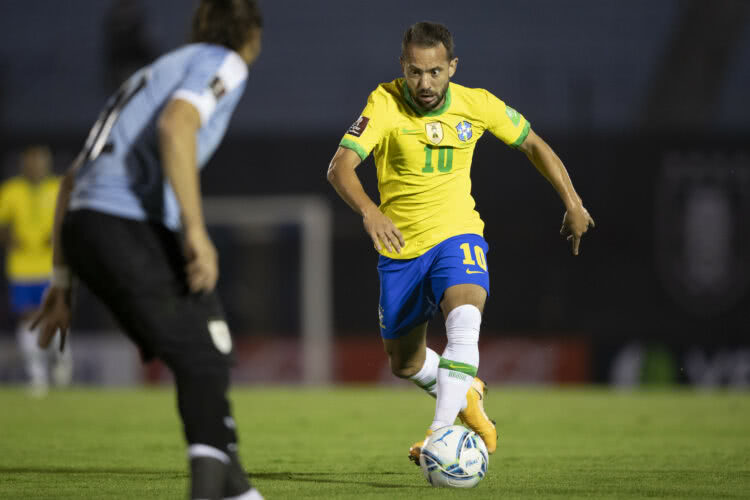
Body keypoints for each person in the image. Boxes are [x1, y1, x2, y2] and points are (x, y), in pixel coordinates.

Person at [327, 21, 595, 464]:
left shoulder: (477, 104)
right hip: (400, 250)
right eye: (415, 72)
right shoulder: (384, 103)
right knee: (405, 364)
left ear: (452, 66)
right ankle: (467, 392)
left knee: (465, 321)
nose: (425, 83)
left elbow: (534, 145)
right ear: (403, 67)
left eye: (435, 71)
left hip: (458, 234)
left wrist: (572, 201)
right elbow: (340, 167)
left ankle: (438, 438)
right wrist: (370, 211)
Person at [31, 1, 264, 498]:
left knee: (209, 347)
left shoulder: (152, 74)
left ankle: (239, 492)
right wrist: (197, 233)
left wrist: (62, 283)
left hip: (87, 229)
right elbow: (177, 126)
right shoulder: (224, 61)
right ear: (251, 36)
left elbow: (71, 180)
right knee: (204, 357)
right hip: (126, 225)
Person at [0, 145, 72, 397]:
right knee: (28, 320)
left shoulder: (58, 187)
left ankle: (61, 359)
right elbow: (2, 224)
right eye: (31, 162)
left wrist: (57, 236)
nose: (35, 167)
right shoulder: (11, 190)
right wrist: (9, 238)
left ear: (47, 164)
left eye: (40, 162)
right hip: (20, 268)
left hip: (52, 268)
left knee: (51, 315)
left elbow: (71, 220)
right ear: (24, 164)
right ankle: (37, 377)